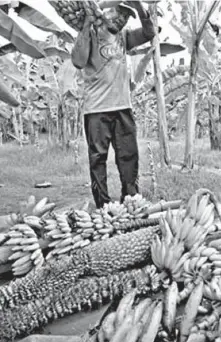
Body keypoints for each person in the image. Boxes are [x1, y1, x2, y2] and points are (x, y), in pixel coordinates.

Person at [71, 1, 158, 208]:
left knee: (129, 157)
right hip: (96, 110)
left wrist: (138, 7)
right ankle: (103, 206)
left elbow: (150, 33)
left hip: (122, 108)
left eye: (127, 16)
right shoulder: (91, 33)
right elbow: (78, 61)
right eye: (120, 13)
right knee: (98, 159)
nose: (122, 19)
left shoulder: (124, 37)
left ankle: (131, 202)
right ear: (108, 12)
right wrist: (85, 26)